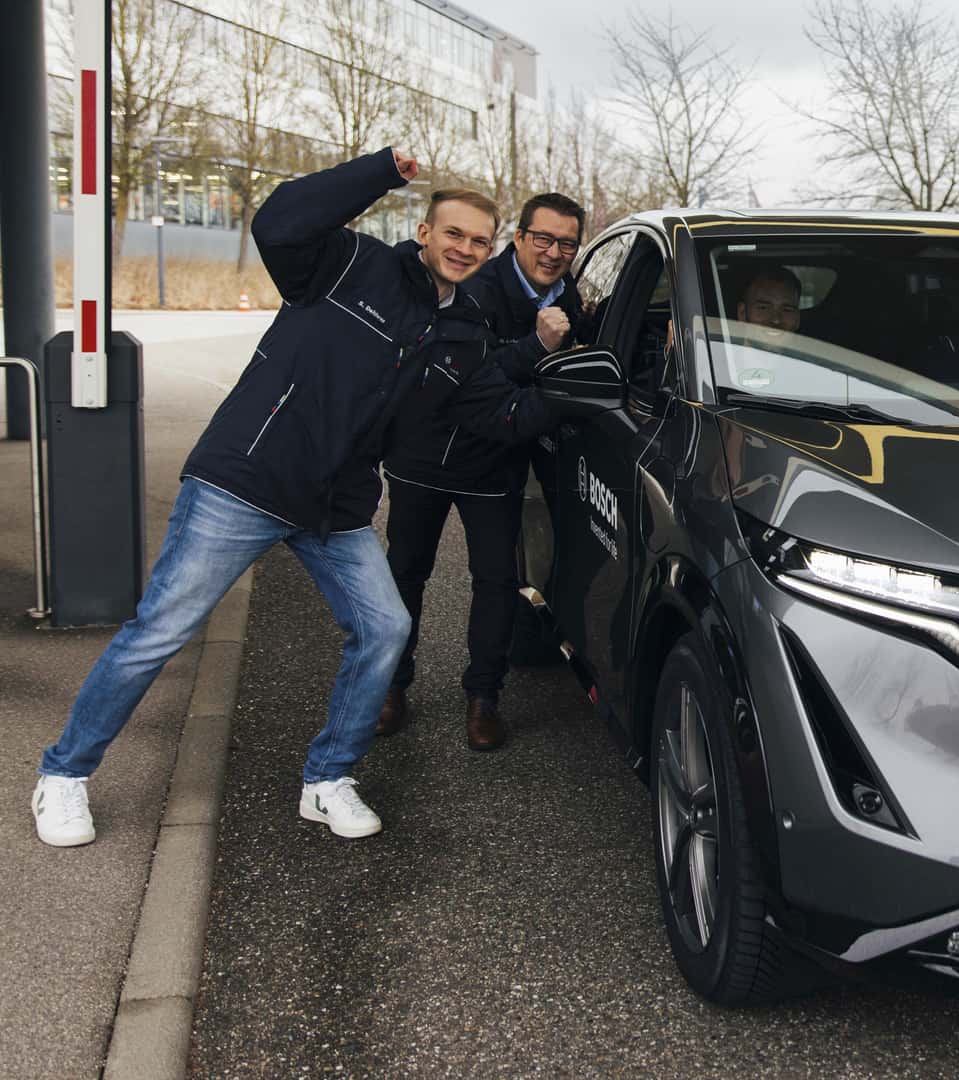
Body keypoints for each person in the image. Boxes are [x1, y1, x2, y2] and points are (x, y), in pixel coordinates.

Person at [30, 148, 555, 846]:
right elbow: (279, 221)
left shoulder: (462, 333)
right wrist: (381, 171)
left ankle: (327, 778)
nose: (465, 248)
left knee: (384, 628)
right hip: (246, 481)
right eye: (453, 233)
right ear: (425, 232)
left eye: (480, 241)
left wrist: (570, 389)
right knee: (158, 631)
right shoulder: (350, 264)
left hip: (334, 506)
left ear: (493, 252)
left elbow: (493, 408)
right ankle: (64, 775)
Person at [378, 193, 587, 751]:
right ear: (518, 239)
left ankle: (484, 698)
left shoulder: (571, 298)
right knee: (405, 575)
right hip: (426, 456)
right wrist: (536, 345)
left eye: (566, 243)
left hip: (497, 462)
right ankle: (391, 688)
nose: (552, 252)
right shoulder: (470, 286)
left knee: (497, 582)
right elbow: (460, 377)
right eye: (542, 239)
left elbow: (581, 364)